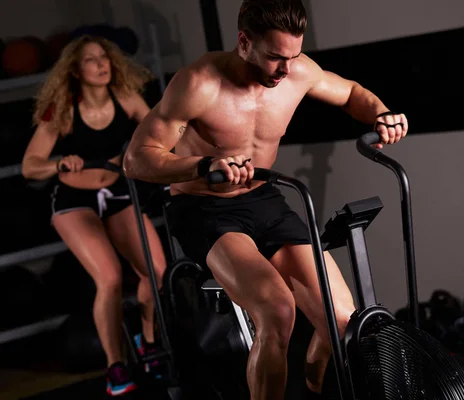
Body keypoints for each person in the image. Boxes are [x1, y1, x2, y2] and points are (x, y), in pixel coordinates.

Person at [123, 0, 408, 398]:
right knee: (277, 312)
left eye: (293, 55)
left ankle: (316, 385)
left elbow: (350, 94)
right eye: (275, 57)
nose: (287, 69)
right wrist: (203, 166)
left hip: (264, 198)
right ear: (244, 42)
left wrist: (381, 113)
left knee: (343, 320)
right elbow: (136, 160)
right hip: (204, 207)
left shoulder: (298, 70)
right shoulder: (199, 83)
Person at [21, 35, 167, 396]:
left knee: (158, 271)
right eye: (91, 59)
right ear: (75, 69)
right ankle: (115, 367)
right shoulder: (64, 109)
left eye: (105, 57)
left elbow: (159, 131)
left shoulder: (126, 99)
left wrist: (137, 151)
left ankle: (148, 343)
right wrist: (58, 162)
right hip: (74, 199)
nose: (101, 64)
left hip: (118, 192)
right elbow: (30, 166)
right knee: (111, 278)